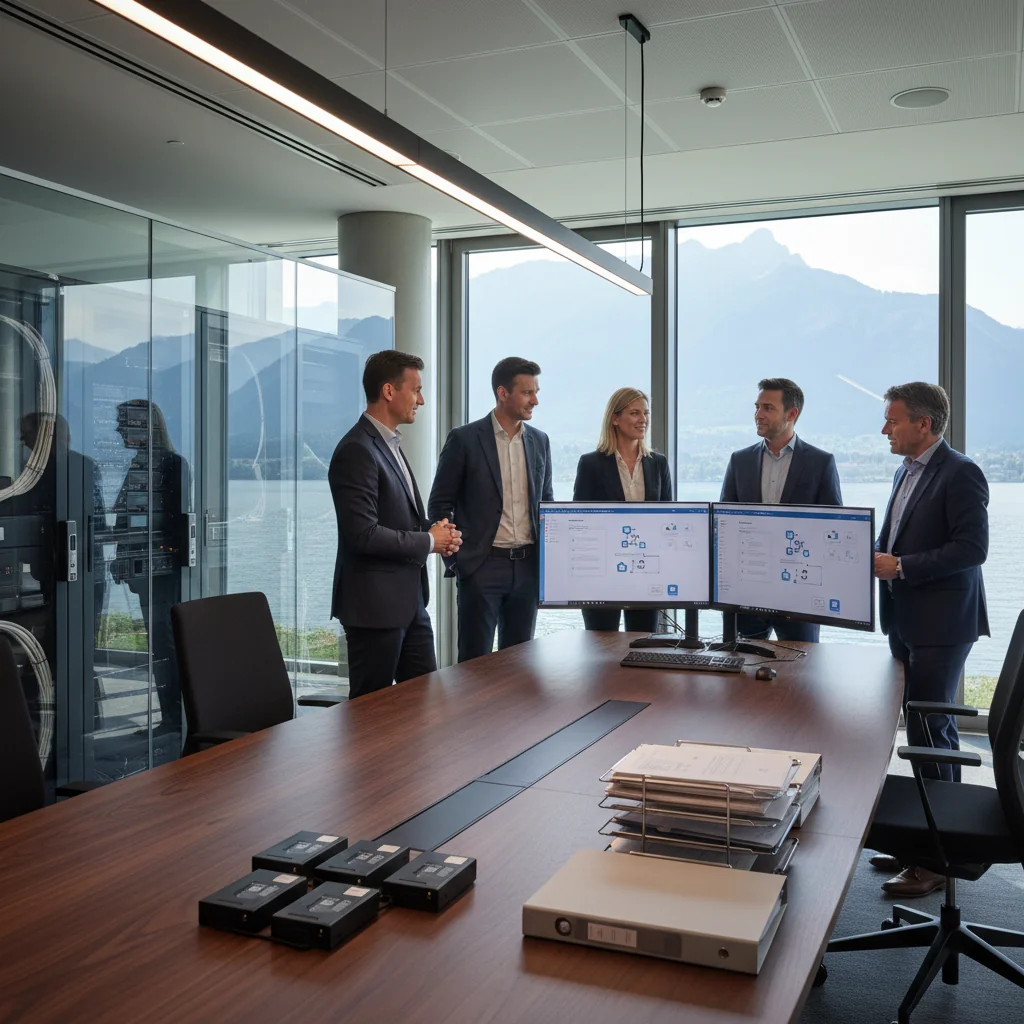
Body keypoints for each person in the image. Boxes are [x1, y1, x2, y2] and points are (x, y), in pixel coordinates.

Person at [870, 381, 989, 897]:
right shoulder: (905, 469)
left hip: (942, 622)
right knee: (920, 727)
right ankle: (923, 843)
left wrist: (902, 567)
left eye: (893, 421)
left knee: (930, 727)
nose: (884, 429)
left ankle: (940, 857)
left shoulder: (962, 473)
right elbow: (893, 535)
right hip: (905, 616)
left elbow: (972, 548)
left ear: (924, 424)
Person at [330, 350, 460, 699]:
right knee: (370, 720)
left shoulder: (389, 445)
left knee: (424, 710)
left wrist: (439, 536)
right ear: (389, 391)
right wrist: (428, 542)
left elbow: (399, 519)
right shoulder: (357, 450)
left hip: (410, 604)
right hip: (374, 610)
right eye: (415, 389)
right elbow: (363, 535)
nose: (421, 399)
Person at [428, 356, 553, 663]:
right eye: (527, 392)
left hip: (527, 569)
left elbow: (547, 504)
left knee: (521, 663)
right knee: (474, 664)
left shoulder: (540, 441)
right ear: (503, 393)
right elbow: (440, 504)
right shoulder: (464, 439)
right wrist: (459, 559)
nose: (535, 400)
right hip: (481, 567)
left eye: (536, 391)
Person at [720, 377, 842, 642]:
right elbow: (724, 526)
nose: (758, 415)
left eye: (767, 408)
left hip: (799, 594)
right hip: (746, 590)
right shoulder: (739, 461)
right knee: (740, 672)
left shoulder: (821, 463)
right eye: (757, 407)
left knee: (802, 673)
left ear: (792, 413)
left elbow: (834, 528)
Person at [111, 400, 189, 744]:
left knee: (166, 645)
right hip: (148, 573)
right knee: (160, 646)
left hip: (163, 574)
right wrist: (123, 557)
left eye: (124, 423)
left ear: (144, 427)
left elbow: (175, 524)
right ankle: (170, 717)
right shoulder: (142, 465)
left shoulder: (170, 466)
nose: (118, 430)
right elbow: (128, 519)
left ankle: (175, 717)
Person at [572, 387, 672, 633]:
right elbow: (580, 522)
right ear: (615, 419)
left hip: (646, 570)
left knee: (644, 642)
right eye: (635, 413)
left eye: (645, 413)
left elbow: (670, 518)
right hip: (602, 572)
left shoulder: (658, 463)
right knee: (601, 644)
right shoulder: (591, 464)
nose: (643, 420)